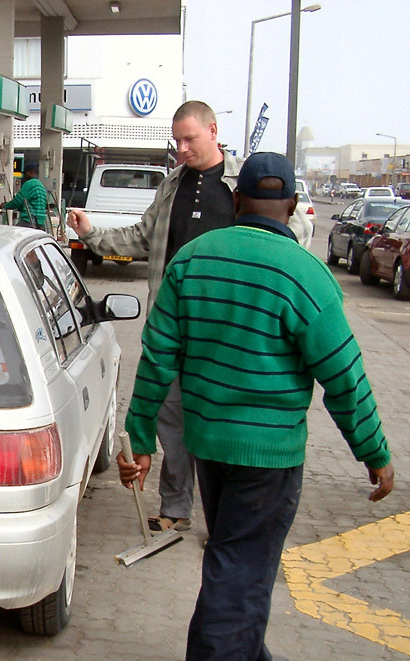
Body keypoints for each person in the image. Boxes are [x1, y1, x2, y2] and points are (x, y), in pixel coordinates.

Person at [119, 152, 394, 661]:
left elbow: (156, 359)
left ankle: (250, 658)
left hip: (208, 447)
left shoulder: (192, 262)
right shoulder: (305, 275)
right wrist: (374, 452)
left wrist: (140, 439)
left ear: (236, 200)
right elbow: (344, 377)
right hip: (269, 459)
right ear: (292, 207)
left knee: (239, 558)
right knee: (239, 568)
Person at [68, 101, 311, 534]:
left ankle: (226, 519)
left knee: (222, 423)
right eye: (176, 140)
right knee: (172, 418)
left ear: (214, 131)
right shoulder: (171, 186)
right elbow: (141, 238)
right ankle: (176, 507)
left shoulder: (244, 186)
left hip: (229, 332)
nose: (181, 148)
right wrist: (91, 234)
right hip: (175, 325)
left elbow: (288, 237)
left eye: (190, 139)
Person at [0, 162, 52, 229]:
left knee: (13, 235)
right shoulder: (41, 185)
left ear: (30, 172)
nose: (24, 176)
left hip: (29, 221)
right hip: (40, 223)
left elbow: (17, 202)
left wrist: (5, 205)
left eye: (25, 174)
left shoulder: (29, 184)